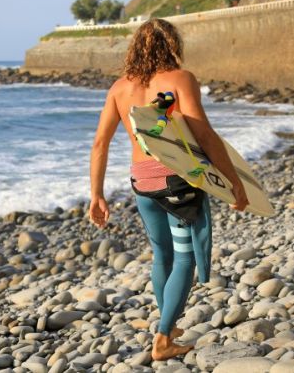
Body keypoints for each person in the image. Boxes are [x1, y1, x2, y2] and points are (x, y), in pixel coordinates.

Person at [88, 18, 249, 361]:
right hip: (178, 182)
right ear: (173, 45)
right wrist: (232, 179)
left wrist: (97, 194)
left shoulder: (119, 88)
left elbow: (100, 143)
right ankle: (163, 339)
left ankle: (169, 324)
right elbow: (203, 133)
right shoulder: (180, 79)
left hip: (141, 181)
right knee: (186, 256)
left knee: (162, 255)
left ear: (136, 49)